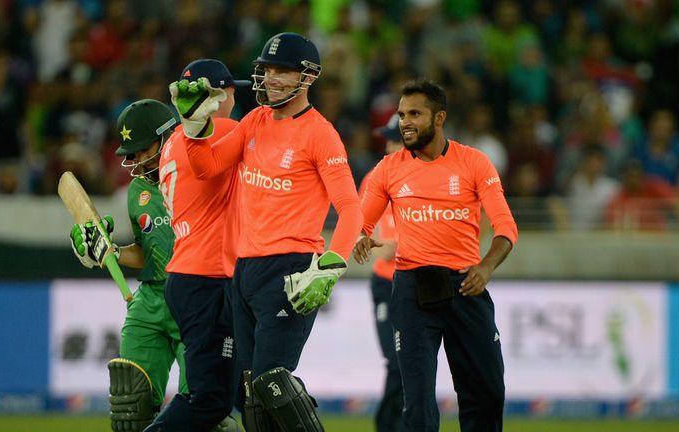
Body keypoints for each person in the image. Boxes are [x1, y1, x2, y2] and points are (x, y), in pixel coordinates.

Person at [169, 32, 363, 431]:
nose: (272, 78)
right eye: (268, 69)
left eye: (283, 71)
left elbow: (350, 209)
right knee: (250, 396)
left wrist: (331, 264)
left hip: (290, 271)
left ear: (307, 78)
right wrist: (194, 126)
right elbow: (208, 166)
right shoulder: (255, 120)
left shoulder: (320, 133)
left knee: (271, 382)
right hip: (244, 272)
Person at [354, 78, 518, 432]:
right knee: (417, 405)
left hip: (466, 286)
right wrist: (360, 238)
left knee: (487, 393)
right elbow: (361, 222)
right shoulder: (387, 169)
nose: (404, 122)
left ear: (439, 118)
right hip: (413, 288)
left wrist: (486, 268)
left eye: (415, 113)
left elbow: (506, 228)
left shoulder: (474, 163)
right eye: (401, 114)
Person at [143, 58, 249, 432]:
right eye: (230, 89)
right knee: (210, 400)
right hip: (209, 276)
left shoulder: (173, 142)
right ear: (218, 94)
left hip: (192, 274)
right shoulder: (223, 129)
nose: (235, 96)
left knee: (246, 392)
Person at [69, 98, 187, 432]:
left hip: (198, 295)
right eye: (129, 154)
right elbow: (147, 251)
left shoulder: (201, 176)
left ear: (167, 137)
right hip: (149, 300)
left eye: (139, 150)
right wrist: (109, 251)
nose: (134, 161)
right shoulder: (136, 190)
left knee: (204, 408)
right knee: (129, 408)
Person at [358, 114, 404, 432]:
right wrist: (375, 246)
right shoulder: (375, 177)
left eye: (394, 139)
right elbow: (358, 227)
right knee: (398, 359)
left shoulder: (430, 178)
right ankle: (389, 425)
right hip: (386, 281)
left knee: (408, 361)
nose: (388, 146)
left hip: (415, 281)